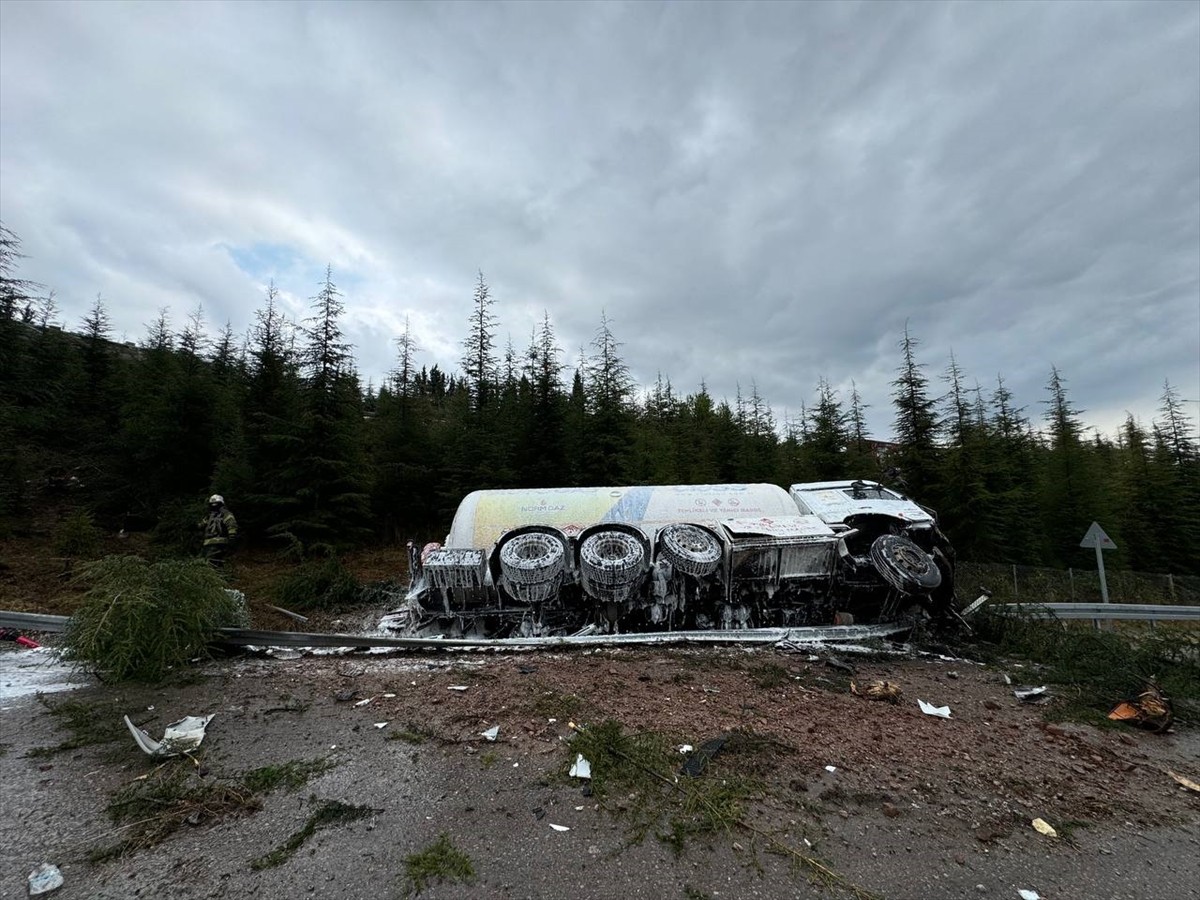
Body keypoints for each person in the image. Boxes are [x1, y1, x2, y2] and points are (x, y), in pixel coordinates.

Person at [200, 494, 238, 567]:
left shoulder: (215, 515)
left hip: (213, 544)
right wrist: (232, 538)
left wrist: (232, 538)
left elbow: (231, 525)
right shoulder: (213, 515)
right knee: (218, 564)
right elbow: (231, 525)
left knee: (210, 564)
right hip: (217, 543)